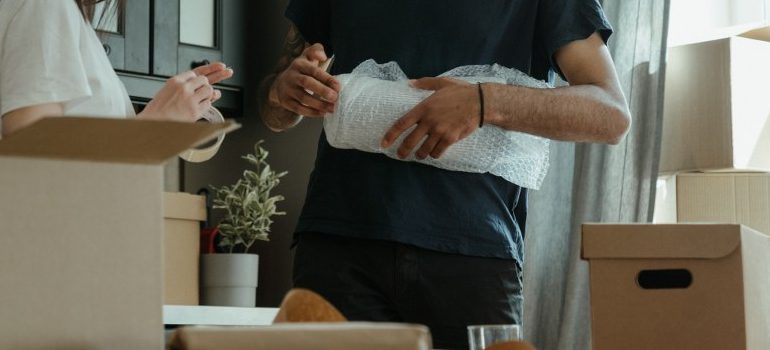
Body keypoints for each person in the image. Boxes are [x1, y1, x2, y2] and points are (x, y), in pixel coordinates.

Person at [258, 1, 630, 348]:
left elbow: (610, 114)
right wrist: (282, 93)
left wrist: (485, 101)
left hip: (472, 257)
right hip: (337, 246)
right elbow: (273, 110)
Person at [0, 0, 233, 138]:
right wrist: (155, 121)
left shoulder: (71, 18)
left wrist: (164, 115)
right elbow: (34, 152)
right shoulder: (46, 5)